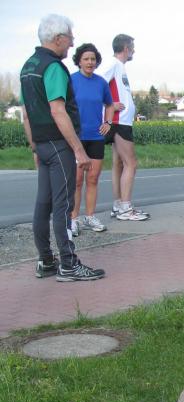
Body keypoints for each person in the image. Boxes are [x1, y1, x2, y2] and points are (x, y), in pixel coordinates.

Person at [20, 14, 104, 281]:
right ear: (58, 38)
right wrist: (78, 150)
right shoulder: (53, 67)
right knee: (63, 205)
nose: (72, 43)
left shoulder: (28, 66)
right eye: (69, 37)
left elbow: (26, 113)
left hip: (42, 144)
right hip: (59, 144)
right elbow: (58, 110)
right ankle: (69, 264)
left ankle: (46, 261)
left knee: (42, 204)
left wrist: (34, 146)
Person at [103, 33, 148, 221]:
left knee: (119, 163)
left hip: (122, 120)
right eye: (132, 48)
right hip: (118, 121)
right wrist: (110, 104)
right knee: (131, 163)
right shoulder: (112, 64)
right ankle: (125, 208)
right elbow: (97, 82)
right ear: (126, 48)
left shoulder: (119, 66)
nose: (134, 51)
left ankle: (118, 204)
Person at [69, 42, 113, 236]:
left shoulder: (101, 82)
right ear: (79, 61)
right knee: (77, 180)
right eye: (86, 59)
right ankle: (73, 219)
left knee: (93, 178)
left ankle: (90, 216)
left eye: (93, 59)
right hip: (77, 137)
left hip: (96, 137)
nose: (90, 62)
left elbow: (110, 105)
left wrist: (108, 122)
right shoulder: (71, 80)